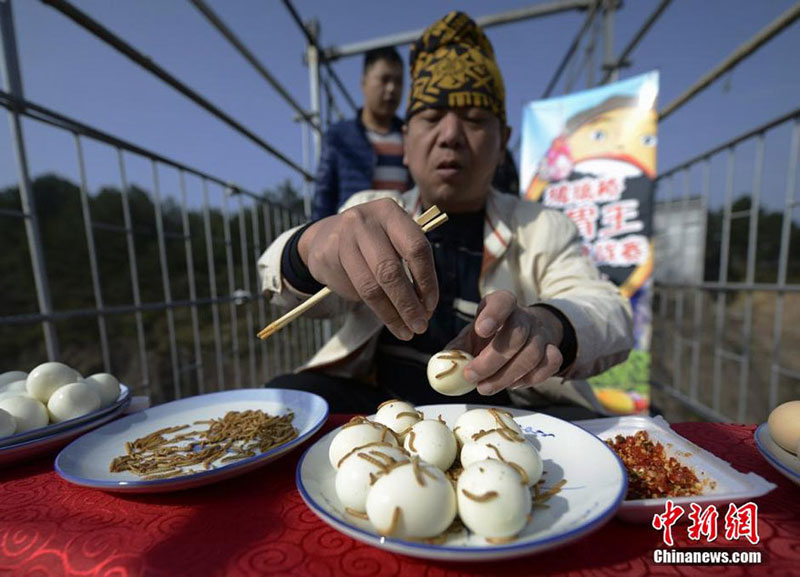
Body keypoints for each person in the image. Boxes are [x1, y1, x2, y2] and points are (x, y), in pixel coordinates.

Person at [258, 11, 633, 419]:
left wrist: (549, 323)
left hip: (510, 415)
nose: (450, 135)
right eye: (431, 118)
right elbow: (279, 285)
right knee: (287, 398)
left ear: (502, 140)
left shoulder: (543, 226)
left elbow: (608, 311)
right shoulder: (369, 212)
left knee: (591, 430)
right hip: (385, 408)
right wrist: (311, 247)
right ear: (406, 140)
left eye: (473, 119)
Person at [311, 46, 412, 220]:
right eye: (385, 79)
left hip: (404, 233)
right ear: (363, 82)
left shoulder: (411, 136)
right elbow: (324, 199)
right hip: (353, 236)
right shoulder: (338, 136)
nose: (392, 89)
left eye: (398, 81)